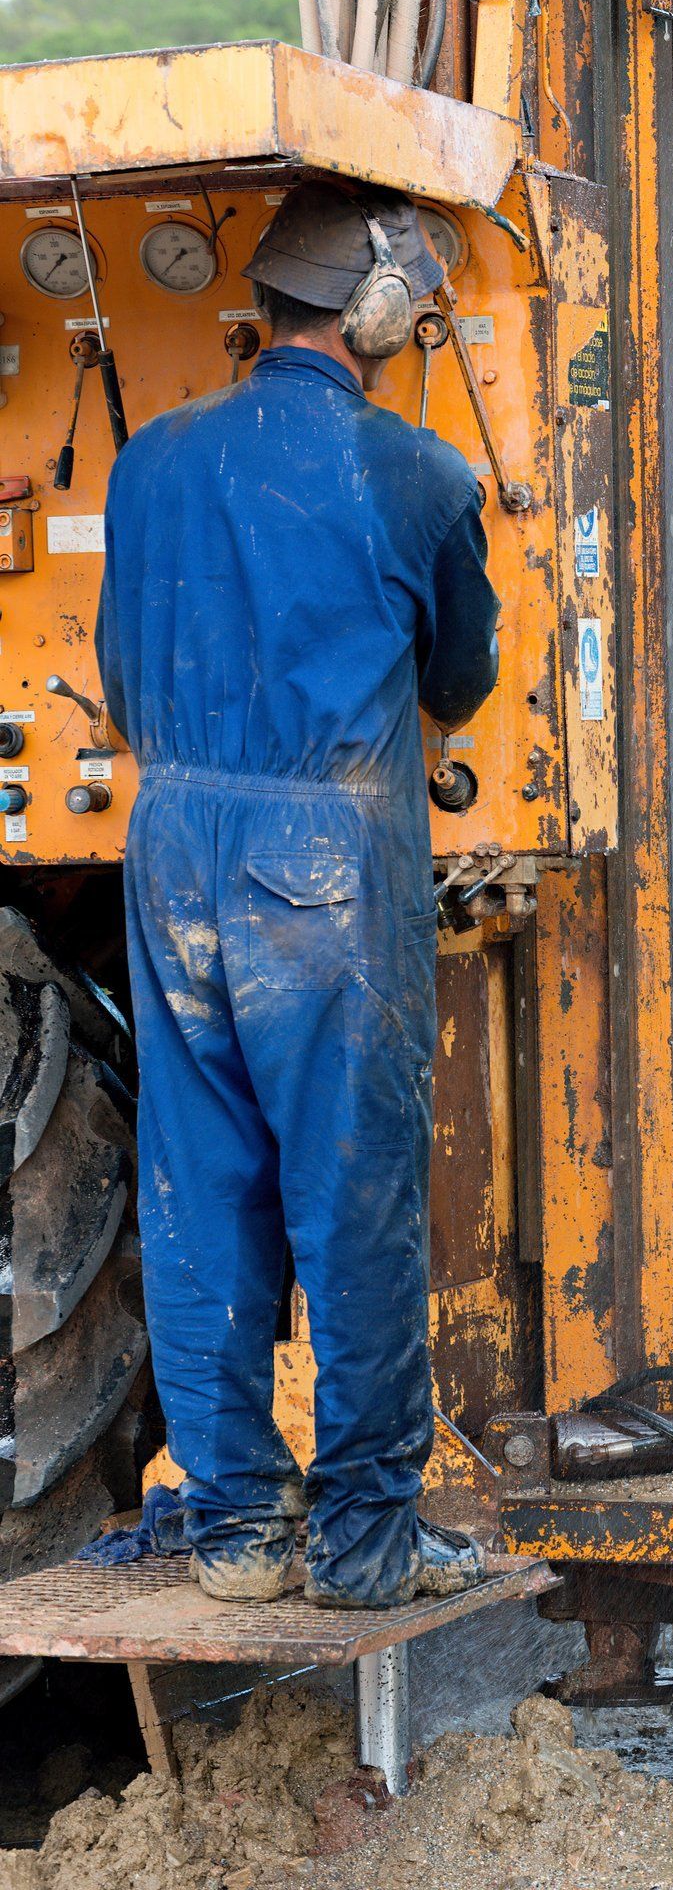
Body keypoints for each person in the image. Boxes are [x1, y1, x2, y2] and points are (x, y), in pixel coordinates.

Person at [95, 178, 499, 1608]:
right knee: (354, 1197)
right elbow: (460, 680)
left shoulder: (146, 468)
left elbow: (124, 678)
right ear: (381, 311)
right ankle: (369, 1543)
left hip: (171, 850)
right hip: (321, 866)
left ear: (261, 306)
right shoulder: (412, 475)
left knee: (200, 1187)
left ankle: (238, 1536)